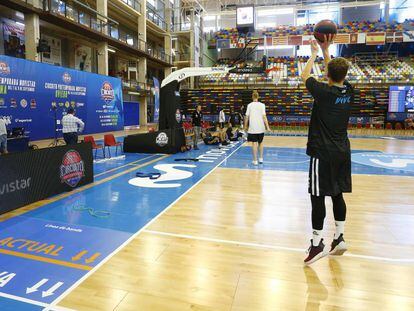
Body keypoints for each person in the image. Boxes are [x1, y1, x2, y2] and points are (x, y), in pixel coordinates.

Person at [300, 35, 354, 265]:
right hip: (342, 152)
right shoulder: (349, 91)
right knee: (337, 193)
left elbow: (304, 76)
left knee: (317, 196)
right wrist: (326, 50)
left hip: (322, 153)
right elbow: (335, 74)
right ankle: (339, 236)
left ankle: (316, 244)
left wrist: (314, 53)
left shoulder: (323, 92)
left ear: (328, 76)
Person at [244, 90, 270, 165]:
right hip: (261, 128)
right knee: (261, 143)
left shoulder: (249, 105)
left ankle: (255, 160)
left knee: (254, 144)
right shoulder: (262, 105)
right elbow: (264, 117)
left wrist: (245, 126)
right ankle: (261, 159)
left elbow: (246, 117)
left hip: (252, 128)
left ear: (252, 97)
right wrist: (267, 127)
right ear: (258, 97)